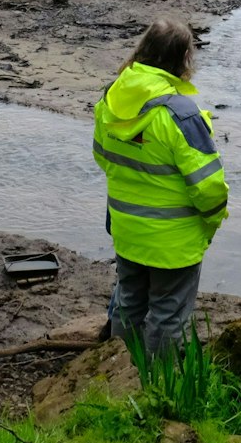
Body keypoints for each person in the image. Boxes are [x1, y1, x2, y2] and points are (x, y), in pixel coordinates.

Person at [93, 18, 229, 355]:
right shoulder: (181, 113)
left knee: (129, 304)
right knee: (168, 317)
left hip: (127, 229)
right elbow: (210, 187)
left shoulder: (113, 97)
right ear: (184, 60)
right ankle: (157, 389)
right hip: (174, 241)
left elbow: (102, 156)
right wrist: (210, 225)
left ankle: (119, 378)